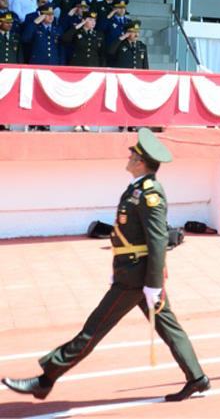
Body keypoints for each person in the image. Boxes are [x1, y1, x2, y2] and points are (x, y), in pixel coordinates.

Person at [3, 129, 209, 401]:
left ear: (141, 162)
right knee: (168, 326)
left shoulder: (150, 194)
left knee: (93, 330)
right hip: (131, 271)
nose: (129, 155)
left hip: (136, 278)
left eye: (133, 154)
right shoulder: (137, 188)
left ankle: (46, 378)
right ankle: (197, 378)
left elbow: (158, 240)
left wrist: (153, 284)